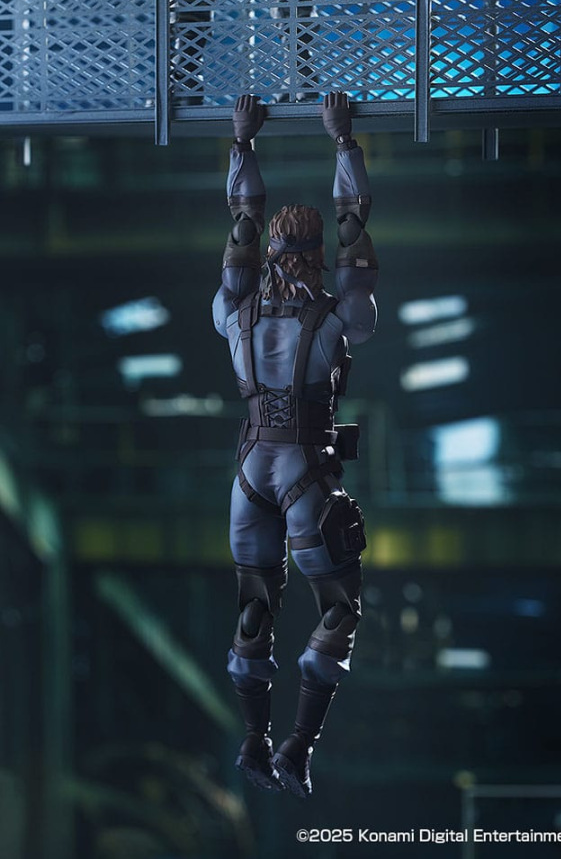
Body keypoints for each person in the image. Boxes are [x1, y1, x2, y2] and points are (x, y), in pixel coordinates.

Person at [212, 92, 378, 798]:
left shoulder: (233, 314)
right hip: (307, 470)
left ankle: (254, 738)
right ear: (314, 257)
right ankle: (297, 746)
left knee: (255, 604)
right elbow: (355, 233)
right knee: (337, 608)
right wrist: (343, 142)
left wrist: (242, 144)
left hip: (250, 472)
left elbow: (241, 223)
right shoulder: (340, 318)